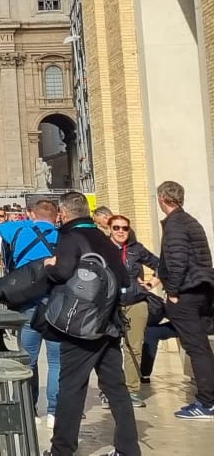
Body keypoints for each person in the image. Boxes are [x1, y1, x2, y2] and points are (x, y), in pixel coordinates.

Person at [38, 191, 140, 456]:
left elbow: (61, 273)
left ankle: (62, 450)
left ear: (64, 212)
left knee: (71, 387)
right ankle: (129, 449)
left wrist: (50, 266)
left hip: (81, 326)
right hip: (110, 323)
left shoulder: (71, 237)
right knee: (116, 388)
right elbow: (125, 280)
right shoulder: (103, 238)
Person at [152, 179, 214, 419]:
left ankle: (206, 402)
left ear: (163, 199)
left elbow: (177, 261)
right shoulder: (189, 221)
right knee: (201, 347)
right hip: (201, 289)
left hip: (186, 293)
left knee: (197, 348)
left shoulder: (176, 225)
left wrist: (174, 292)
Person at [0, 197, 61, 425]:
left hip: (28, 304)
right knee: (56, 361)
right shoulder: (61, 236)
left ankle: (29, 409)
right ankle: (54, 412)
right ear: (56, 218)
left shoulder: (18, 232)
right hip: (55, 303)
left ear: (32, 214)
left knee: (28, 359)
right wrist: (49, 225)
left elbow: (2, 226)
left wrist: (32, 222)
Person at [104, 214, 162, 405]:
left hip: (136, 303)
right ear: (109, 229)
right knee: (109, 348)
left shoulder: (137, 249)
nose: (121, 231)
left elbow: (161, 265)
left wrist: (151, 283)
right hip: (110, 305)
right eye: (116, 228)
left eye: (125, 228)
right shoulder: (102, 248)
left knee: (134, 347)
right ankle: (110, 390)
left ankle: (131, 389)